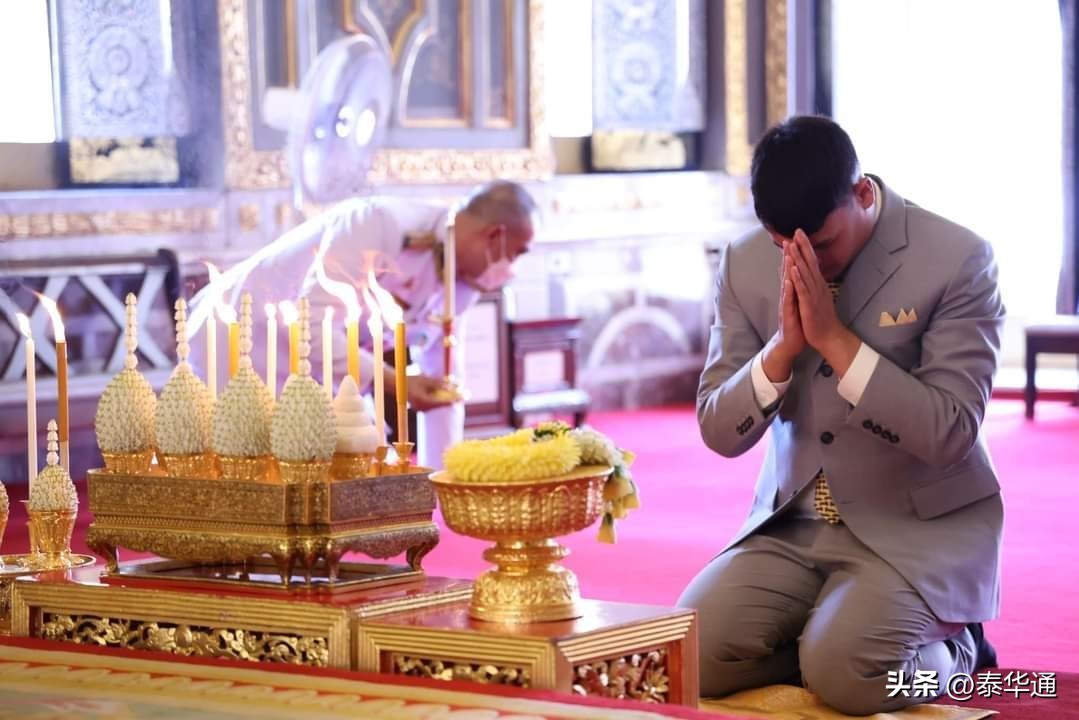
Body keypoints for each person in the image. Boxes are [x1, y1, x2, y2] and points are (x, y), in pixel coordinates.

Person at [679, 116, 1004, 714]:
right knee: (688, 656)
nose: (804, 261)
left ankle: (957, 656)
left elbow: (951, 431)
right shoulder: (744, 262)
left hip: (913, 529)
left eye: (822, 245)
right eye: (783, 246)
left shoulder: (958, 258)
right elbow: (718, 430)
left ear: (862, 193)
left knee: (853, 679)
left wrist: (834, 341)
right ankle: (822, 650)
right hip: (791, 526)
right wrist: (781, 353)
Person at [188, 180, 536, 467]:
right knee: (256, 481)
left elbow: (443, 376)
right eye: (518, 253)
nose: (512, 268)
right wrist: (397, 383)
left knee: (344, 474)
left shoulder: (466, 277)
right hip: (242, 341)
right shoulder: (379, 222)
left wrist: (442, 480)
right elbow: (312, 328)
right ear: (494, 236)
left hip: (323, 374)